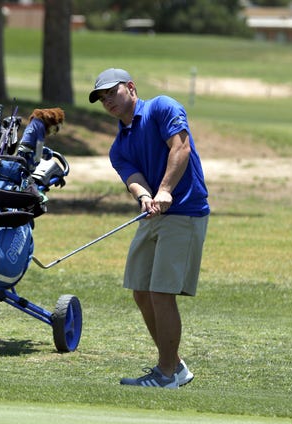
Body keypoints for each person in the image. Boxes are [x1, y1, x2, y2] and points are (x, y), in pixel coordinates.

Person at [89, 68, 210, 388]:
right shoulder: (119, 147)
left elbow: (180, 148)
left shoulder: (162, 107)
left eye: (112, 93)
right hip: (154, 215)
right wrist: (145, 197)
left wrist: (166, 189)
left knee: (161, 292)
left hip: (185, 212)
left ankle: (167, 373)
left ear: (130, 87)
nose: (108, 101)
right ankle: (176, 366)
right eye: (102, 98)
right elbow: (133, 179)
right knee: (141, 291)